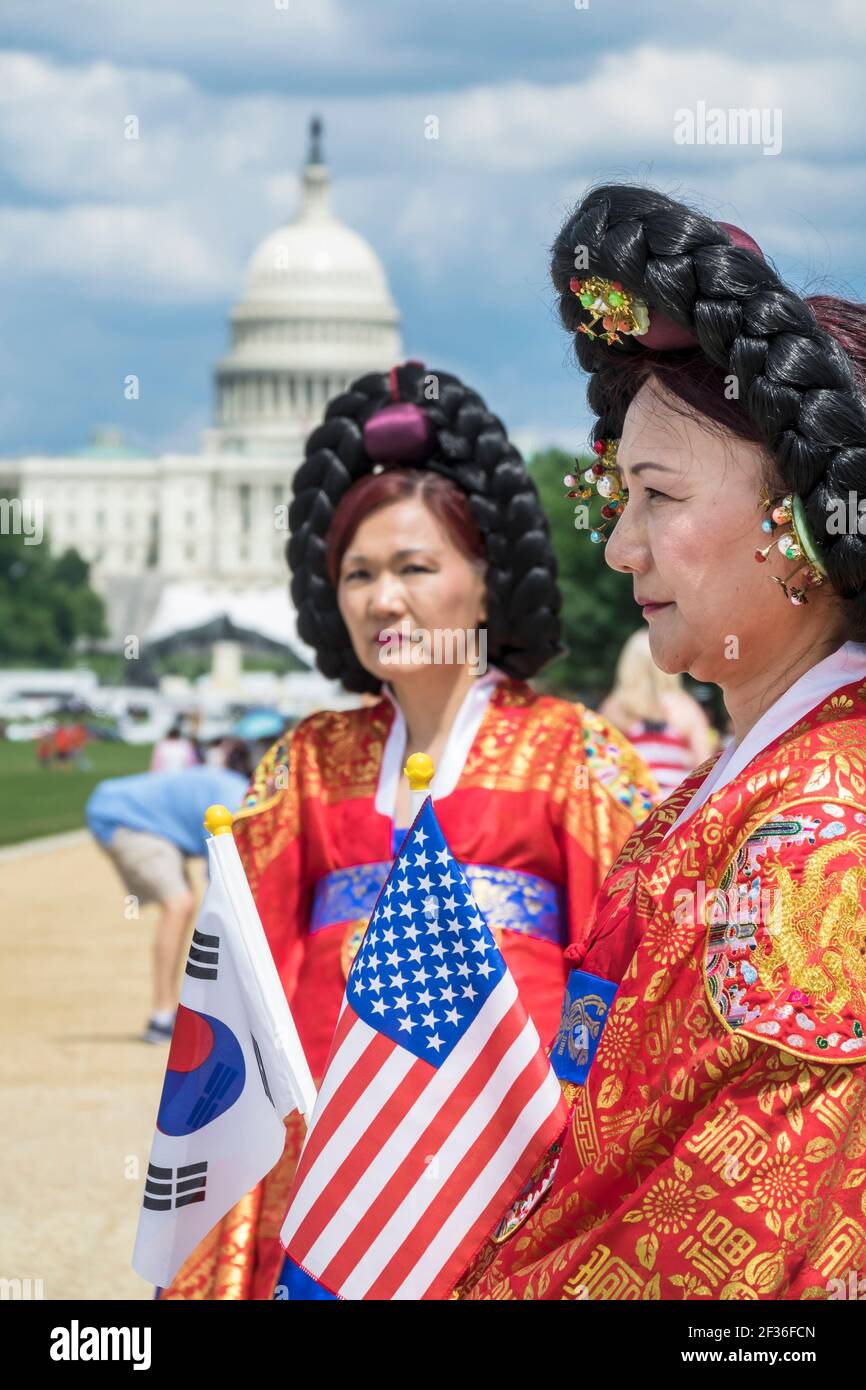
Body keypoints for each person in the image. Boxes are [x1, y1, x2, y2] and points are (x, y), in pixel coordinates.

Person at [159, 359, 656, 1299]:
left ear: (484, 580)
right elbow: (242, 979)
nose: (383, 599)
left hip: (510, 1164)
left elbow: (625, 981)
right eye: (358, 573)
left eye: (416, 567)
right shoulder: (303, 761)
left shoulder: (572, 752)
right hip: (322, 1174)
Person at [456, 184, 866, 1300]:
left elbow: (705, 1252)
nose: (618, 549)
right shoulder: (747, 786)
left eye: (654, 495)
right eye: (614, 495)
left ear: (796, 521)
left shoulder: (820, 833)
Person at [86, 763, 250, 1043]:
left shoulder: (242, 794)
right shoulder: (235, 809)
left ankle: (175, 1010)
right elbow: (223, 885)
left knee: (185, 904)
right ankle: (161, 1016)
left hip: (145, 823)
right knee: (180, 904)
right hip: (123, 820)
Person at [601, 627, 713, 794]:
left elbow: (602, 765)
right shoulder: (686, 708)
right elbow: (704, 768)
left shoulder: (615, 708)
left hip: (634, 806)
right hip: (675, 809)